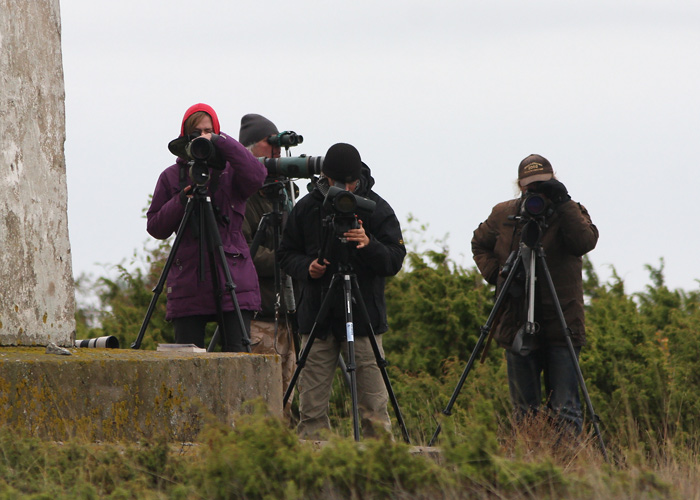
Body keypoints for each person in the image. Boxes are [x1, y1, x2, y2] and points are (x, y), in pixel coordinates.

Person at [277, 142, 406, 439]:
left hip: (364, 319)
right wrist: (307, 267)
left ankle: (378, 462)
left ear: (358, 178)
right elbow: (286, 253)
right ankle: (315, 457)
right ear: (325, 177)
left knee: (373, 404)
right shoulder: (308, 207)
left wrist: (369, 243)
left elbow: (394, 259)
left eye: (350, 183)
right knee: (311, 409)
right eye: (338, 182)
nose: (344, 188)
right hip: (317, 318)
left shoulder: (376, 207)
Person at [471, 154, 598, 434]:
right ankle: (529, 466)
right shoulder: (504, 214)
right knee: (524, 413)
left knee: (566, 408)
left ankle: (568, 468)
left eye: (543, 185)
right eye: (530, 187)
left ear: (554, 181)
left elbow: (584, 242)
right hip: (516, 321)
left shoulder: (571, 211)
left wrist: (562, 202)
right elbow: (479, 243)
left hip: (562, 323)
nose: (536, 192)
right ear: (520, 186)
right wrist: (498, 276)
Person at [146, 103, 267, 351]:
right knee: (187, 366)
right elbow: (156, 227)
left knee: (239, 361)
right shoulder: (171, 176)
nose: (202, 137)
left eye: (208, 131)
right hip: (189, 280)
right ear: (184, 138)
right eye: (195, 133)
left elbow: (257, 175)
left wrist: (222, 142)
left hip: (233, 276)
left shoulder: (232, 172)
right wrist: (181, 199)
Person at [239, 113, 298, 420]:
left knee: (287, 400)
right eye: (269, 143)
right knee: (262, 401)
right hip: (261, 314)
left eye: (279, 145)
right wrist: (287, 259)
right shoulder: (243, 197)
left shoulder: (285, 195)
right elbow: (246, 253)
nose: (276, 151)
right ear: (250, 148)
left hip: (289, 314)